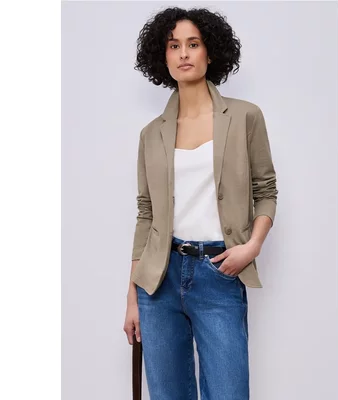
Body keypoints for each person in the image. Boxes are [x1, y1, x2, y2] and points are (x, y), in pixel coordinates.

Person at [123, 6, 278, 400]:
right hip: (159, 280)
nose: (184, 54)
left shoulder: (244, 117)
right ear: (163, 57)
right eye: (174, 46)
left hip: (219, 273)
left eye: (193, 44)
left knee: (229, 392)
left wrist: (252, 247)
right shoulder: (151, 134)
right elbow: (146, 214)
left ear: (211, 52)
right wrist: (132, 298)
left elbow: (266, 190)